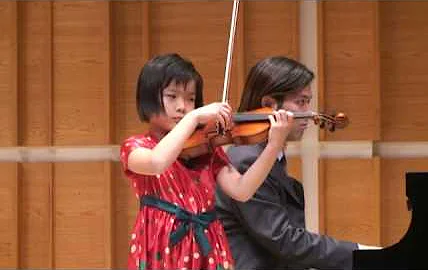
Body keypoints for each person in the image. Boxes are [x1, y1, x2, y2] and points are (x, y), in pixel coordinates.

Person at [120, 53, 294, 270]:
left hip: (208, 247)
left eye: (191, 99)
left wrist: (273, 146)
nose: (183, 106)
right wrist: (193, 117)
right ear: (148, 98)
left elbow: (242, 190)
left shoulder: (206, 151)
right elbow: (158, 162)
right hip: (162, 247)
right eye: (172, 96)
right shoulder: (136, 146)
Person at [215, 56, 380, 270]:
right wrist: (361, 254)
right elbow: (283, 240)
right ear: (269, 105)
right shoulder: (247, 160)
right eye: (301, 102)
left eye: (308, 102)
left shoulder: (267, 157)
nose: (309, 114)